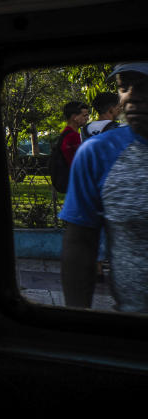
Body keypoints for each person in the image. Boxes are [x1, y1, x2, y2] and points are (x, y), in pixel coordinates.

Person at [60, 63, 148, 312]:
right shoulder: (98, 151)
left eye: (144, 86)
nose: (130, 96)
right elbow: (79, 244)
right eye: (124, 86)